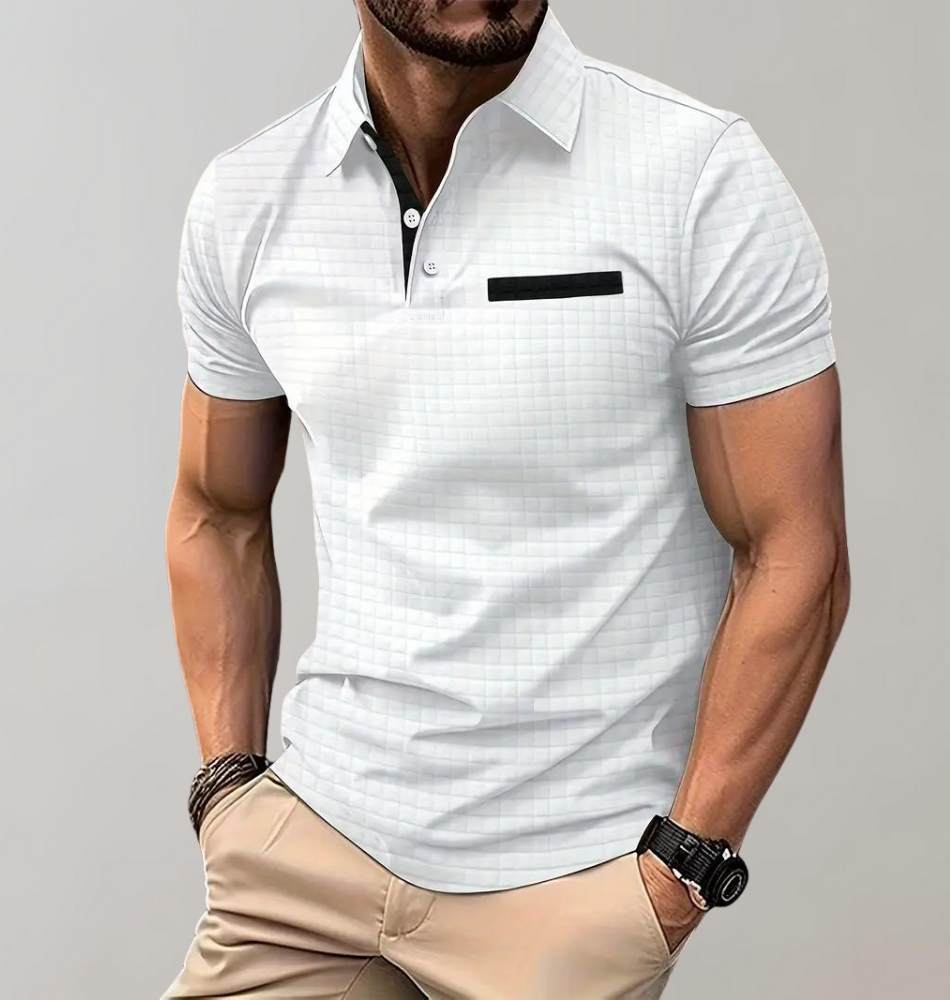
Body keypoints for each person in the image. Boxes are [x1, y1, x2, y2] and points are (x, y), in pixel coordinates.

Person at [161, 2, 850, 997]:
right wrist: (228, 789)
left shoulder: (696, 174)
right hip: (308, 854)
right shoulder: (252, 197)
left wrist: (681, 869)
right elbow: (215, 511)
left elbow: (795, 548)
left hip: (567, 889)